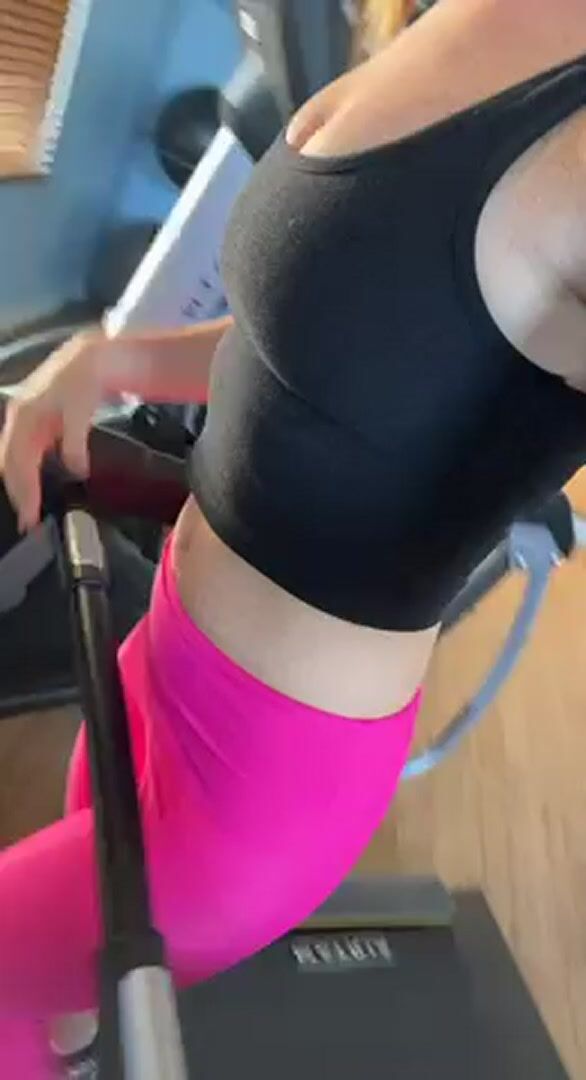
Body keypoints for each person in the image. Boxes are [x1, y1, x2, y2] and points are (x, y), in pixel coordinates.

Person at [2, 0, 586, 1074]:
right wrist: (112, 358)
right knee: (67, 1008)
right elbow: (321, 324)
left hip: (259, 791)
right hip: (158, 661)